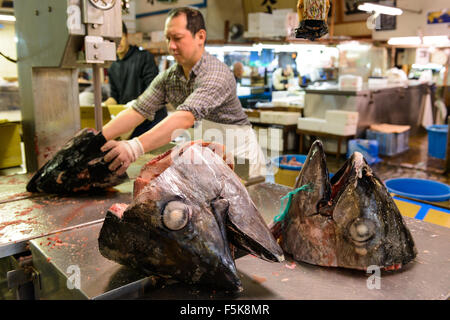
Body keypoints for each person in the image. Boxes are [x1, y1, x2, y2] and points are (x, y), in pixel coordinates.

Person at [101, 7, 266, 178]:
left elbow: (185, 117)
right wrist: (98, 138)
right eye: (168, 38)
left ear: (200, 37)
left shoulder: (216, 74)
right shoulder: (170, 77)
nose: (171, 46)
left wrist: (133, 147)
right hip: (212, 156)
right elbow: (138, 110)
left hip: (241, 159)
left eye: (178, 38)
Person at [104, 22, 167, 138]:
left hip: (152, 122)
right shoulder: (112, 66)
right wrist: (101, 107)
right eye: (112, 40)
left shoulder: (144, 57)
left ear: (126, 36)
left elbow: (154, 90)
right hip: (131, 123)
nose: (117, 43)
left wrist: (134, 104)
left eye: (120, 38)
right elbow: (114, 96)